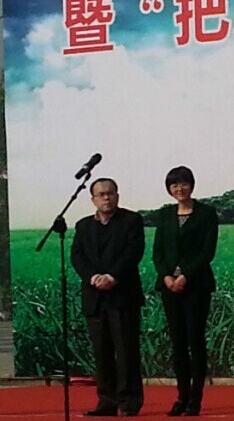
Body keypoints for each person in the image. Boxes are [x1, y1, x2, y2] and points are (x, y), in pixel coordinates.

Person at [71, 178, 145, 417]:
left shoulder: (131, 220)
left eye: (110, 193)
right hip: (95, 297)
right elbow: (77, 256)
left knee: (126, 351)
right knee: (101, 353)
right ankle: (106, 401)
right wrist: (93, 277)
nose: (106, 198)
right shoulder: (83, 226)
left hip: (123, 295)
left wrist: (113, 276)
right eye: (101, 194)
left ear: (117, 196)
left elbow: (133, 252)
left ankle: (129, 402)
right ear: (93, 199)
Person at [152, 167, 218, 417]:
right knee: (178, 342)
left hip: (196, 286)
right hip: (169, 287)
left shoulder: (207, 213)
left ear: (192, 185)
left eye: (183, 184)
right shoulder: (165, 215)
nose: (179, 189)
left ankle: (195, 399)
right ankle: (181, 396)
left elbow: (207, 252)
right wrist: (166, 276)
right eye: (174, 185)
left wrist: (185, 276)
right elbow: (158, 252)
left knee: (195, 341)